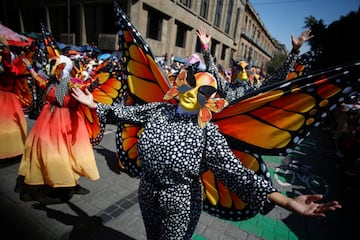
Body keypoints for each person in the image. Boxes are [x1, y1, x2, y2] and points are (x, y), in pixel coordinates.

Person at [71, 68, 341, 240]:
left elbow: (235, 173)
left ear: (211, 99)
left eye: (205, 91)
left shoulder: (207, 132)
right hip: (147, 192)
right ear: (180, 85)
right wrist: (94, 104)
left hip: (180, 202)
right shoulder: (158, 110)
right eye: (191, 85)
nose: (194, 93)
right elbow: (124, 112)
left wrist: (287, 202)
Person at [16, 54, 100, 204]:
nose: (52, 69)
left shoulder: (71, 83)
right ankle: (55, 182)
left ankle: (72, 184)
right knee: (51, 154)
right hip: (48, 122)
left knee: (72, 155)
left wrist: (92, 86)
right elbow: (38, 79)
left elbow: (83, 87)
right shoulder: (51, 82)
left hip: (69, 124)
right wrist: (29, 67)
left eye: (56, 66)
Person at [196, 27, 314, 103]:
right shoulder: (226, 89)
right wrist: (205, 48)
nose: (242, 71)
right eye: (239, 68)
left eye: (246, 68)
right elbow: (213, 70)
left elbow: (279, 76)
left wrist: (294, 51)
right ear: (234, 70)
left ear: (250, 70)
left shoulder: (255, 89)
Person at [0, 37, 27, 162]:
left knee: (8, 126)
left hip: (7, 98)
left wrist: (6, 49)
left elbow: (7, 66)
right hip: (7, 98)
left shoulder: (13, 70)